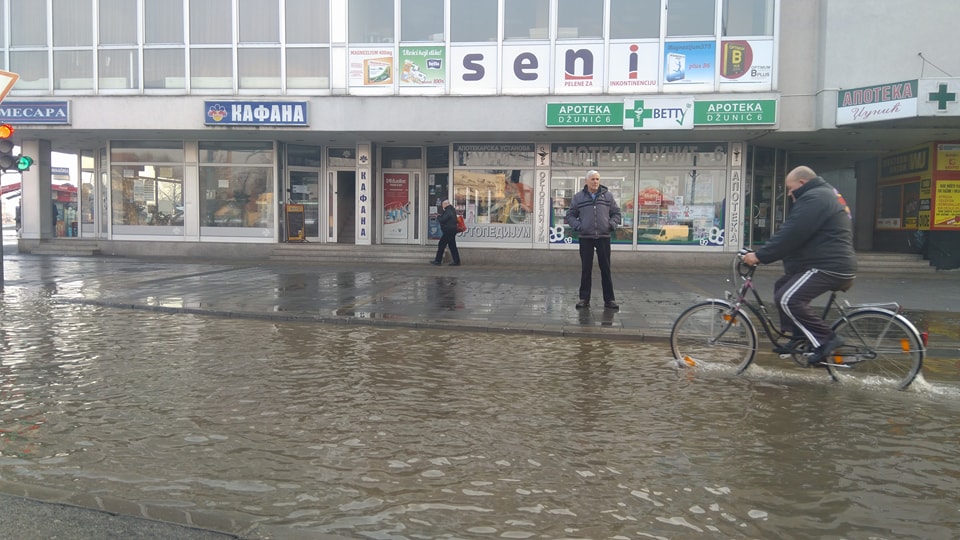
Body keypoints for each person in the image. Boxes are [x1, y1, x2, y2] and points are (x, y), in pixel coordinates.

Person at [742, 166, 857, 366]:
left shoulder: (815, 198)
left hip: (828, 266)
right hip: (825, 262)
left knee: (788, 299)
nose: (788, 193)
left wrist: (760, 256)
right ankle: (798, 338)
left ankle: (827, 340)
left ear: (802, 183)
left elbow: (792, 233)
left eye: (789, 188)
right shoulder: (823, 194)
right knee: (782, 286)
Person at [565, 170, 621, 310]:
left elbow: (616, 213)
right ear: (586, 181)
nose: (595, 182)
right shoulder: (578, 197)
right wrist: (579, 226)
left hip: (603, 237)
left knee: (606, 269)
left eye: (597, 179)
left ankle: (610, 300)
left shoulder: (607, 196)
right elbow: (570, 215)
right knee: (586, 269)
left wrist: (611, 224)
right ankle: (584, 299)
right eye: (592, 179)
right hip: (586, 237)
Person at [431, 199, 461, 266]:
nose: (442, 205)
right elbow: (446, 218)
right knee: (452, 246)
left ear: (445, 204)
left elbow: (443, 220)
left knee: (441, 244)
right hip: (452, 230)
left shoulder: (448, 210)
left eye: (442, 204)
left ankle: (438, 260)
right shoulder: (451, 209)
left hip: (449, 231)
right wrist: (440, 216)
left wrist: (438, 216)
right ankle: (456, 261)